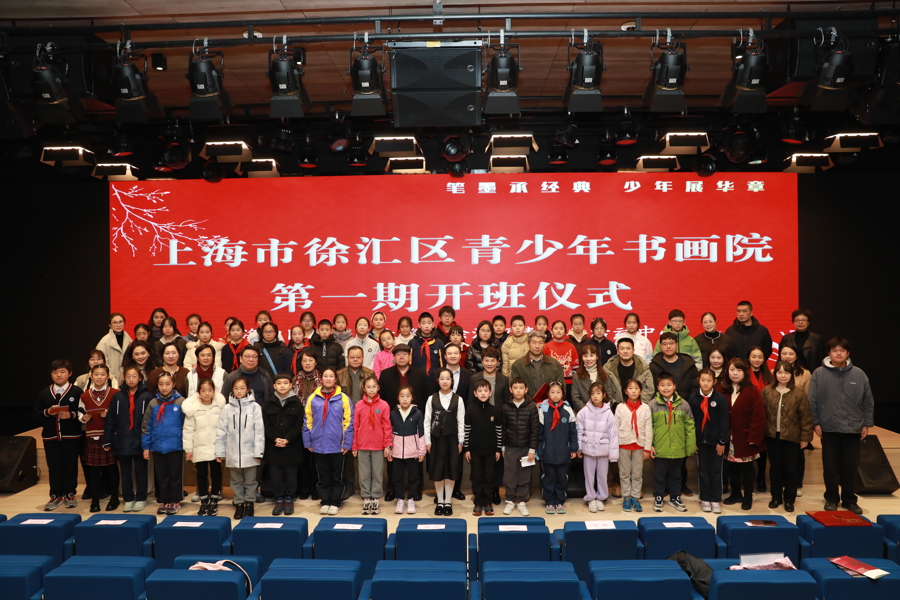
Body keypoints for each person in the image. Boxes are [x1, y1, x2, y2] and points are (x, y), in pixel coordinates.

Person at [808, 338, 874, 514]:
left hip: (853, 428)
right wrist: (815, 422)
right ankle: (831, 498)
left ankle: (849, 500)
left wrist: (867, 423)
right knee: (830, 467)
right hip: (829, 428)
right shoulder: (819, 374)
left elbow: (868, 401)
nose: (838, 353)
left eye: (842, 350)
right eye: (835, 350)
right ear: (829, 353)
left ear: (848, 353)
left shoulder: (859, 374)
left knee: (850, 467)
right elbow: (812, 400)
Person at [763, 361, 813, 513]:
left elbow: (805, 417)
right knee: (775, 468)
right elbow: (761, 415)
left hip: (792, 437)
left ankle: (789, 500)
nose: (783, 376)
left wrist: (805, 438)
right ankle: (776, 497)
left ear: (791, 375)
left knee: (790, 469)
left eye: (786, 372)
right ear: (775, 374)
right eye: (779, 372)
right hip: (772, 436)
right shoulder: (767, 391)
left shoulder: (798, 393)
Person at [303, 368, 354, 515]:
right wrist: (308, 441)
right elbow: (307, 421)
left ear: (335, 379)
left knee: (337, 476)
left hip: (337, 444)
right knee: (323, 476)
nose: (328, 379)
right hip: (318, 444)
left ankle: (336, 501)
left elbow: (349, 422)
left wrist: (347, 443)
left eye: (331, 376)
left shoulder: (343, 398)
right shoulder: (313, 398)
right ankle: (325, 501)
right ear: (321, 379)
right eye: (325, 376)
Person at [37, 360, 83, 511]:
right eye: (55, 372)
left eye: (62, 372)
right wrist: (48, 412)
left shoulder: (76, 391)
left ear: (70, 374)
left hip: (72, 436)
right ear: (51, 375)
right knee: (54, 466)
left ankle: (70, 494)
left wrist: (70, 415)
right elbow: (36, 413)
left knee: (70, 465)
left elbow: (83, 412)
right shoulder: (45, 393)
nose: (58, 375)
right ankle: (55, 495)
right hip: (50, 437)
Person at [216, 377, 265, 520]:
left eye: (242, 388)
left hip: (250, 452)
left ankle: (249, 503)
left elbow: (259, 431)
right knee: (236, 481)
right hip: (232, 452)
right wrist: (220, 452)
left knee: (250, 481)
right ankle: (239, 503)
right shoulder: (227, 408)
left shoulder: (255, 407)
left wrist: (258, 452)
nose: (239, 391)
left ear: (248, 389)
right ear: (232, 389)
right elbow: (221, 431)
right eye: (236, 388)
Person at [720, 358, 766, 511]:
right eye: (732, 369)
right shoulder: (721, 389)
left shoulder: (752, 390)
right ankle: (735, 493)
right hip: (728, 437)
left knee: (747, 468)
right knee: (732, 466)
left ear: (745, 372)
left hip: (746, 437)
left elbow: (758, 416)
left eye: (739, 370)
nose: (735, 373)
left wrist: (754, 437)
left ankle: (748, 496)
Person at [104, 366, 151, 512]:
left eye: (134, 376)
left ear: (140, 378)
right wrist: (107, 439)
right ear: (124, 378)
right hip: (122, 439)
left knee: (141, 471)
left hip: (140, 439)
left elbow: (151, 420)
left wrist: (149, 441)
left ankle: (141, 498)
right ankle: (128, 499)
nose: (131, 379)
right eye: (128, 376)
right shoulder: (117, 397)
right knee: (125, 472)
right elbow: (110, 420)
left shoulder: (147, 396)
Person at [649, 372, 696, 513]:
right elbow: (648, 427)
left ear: (674, 386)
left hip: (678, 448)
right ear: (657, 387)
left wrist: (690, 446)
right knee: (659, 475)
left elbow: (690, 426)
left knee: (676, 475)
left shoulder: (683, 404)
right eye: (662, 385)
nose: (666, 388)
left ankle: (675, 497)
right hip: (660, 448)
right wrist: (650, 445)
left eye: (669, 385)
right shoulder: (652, 405)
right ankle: (659, 496)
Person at [468, 346, 509, 505]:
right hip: (479, 422)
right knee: (479, 466)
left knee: (495, 462)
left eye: (493, 360)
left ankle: (495, 490)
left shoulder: (503, 379)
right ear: (482, 361)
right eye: (486, 360)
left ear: (498, 362)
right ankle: (480, 494)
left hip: (496, 421)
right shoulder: (475, 378)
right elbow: (470, 402)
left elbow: (506, 402)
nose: (489, 363)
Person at [141, 372, 185, 515]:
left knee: (175, 475)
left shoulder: (181, 402)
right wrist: (146, 446)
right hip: (158, 446)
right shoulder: (153, 403)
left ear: (173, 384)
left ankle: (175, 500)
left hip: (175, 445)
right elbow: (146, 426)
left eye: (167, 384)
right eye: (161, 384)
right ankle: (165, 500)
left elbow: (186, 425)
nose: (164, 387)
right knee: (162, 476)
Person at [687, 369, 729, 514]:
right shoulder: (693, 398)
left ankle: (715, 499)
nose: (706, 383)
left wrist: (722, 442)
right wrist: (693, 442)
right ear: (698, 380)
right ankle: (705, 498)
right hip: (700, 442)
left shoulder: (720, 399)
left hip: (716, 442)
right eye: (703, 380)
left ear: (714, 382)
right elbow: (690, 422)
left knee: (716, 470)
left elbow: (724, 421)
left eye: (709, 380)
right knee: (703, 470)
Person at [425, 368, 466, 516]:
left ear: (452, 381)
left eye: (448, 378)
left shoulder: (458, 399)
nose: (445, 381)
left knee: (450, 470)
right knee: (438, 470)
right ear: (438, 381)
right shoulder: (431, 399)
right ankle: (440, 502)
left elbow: (461, 421)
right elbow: (427, 421)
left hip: (452, 439)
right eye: (442, 378)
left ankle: (448, 501)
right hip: (436, 439)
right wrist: (427, 441)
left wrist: (461, 441)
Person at [182, 378, 226, 516]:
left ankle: (214, 500)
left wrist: (223, 448)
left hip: (215, 447)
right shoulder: (193, 409)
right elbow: (188, 430)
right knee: (201, 474)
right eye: (203, 390)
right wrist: (188, 450)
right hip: (199, 447)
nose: (207, 393)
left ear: (214, 392)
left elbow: (224, 429)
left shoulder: (219, 408)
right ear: (198, 392)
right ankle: (204, 500)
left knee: (216, 473)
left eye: (210, 390)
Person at [80, 365, 119, 513]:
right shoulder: (84, 395)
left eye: (103, 374)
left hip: (109, 435)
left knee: (112, 468)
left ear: (108, 376)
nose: (99, 377)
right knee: (93, 470)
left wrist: (110, 415)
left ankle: (114, 498)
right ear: (91, 376)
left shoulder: (115, 393)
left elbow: (121, 414)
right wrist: (83, 418)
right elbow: (80, 413)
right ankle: (94, 501)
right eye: (96, 374)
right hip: (92, 436)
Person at [352, 375, 392, 515]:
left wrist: (387, 445)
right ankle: (366, 497)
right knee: (364, 473)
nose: (371, 389)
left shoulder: (384, 405)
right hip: (362, 445)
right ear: (364, 388)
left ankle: (375, 497)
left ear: (378, 388)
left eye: (374, 387)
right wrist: (354, 446)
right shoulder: (359, 405)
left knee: (377, 472)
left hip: (378, 446)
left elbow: (387, 427)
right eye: (368, 387)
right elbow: (355, 426)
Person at [265, 373, 303, 516]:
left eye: (285, 383)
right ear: (274, 386)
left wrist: (287, 439)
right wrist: (275, 438)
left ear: (291, 385)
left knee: (290, 474)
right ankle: (279, 498)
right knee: (276, 474)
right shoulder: (269, 402)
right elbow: (266, 424)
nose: (282, 386)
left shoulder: (296, 402)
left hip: (291, 445)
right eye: (279, 383)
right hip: (273, 445)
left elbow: (299, 423)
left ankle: (289, 498)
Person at [537, 381, 578, 514]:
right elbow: (539, 432)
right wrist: (540, 450)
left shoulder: (567, 409)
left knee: (562, 477)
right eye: (552, 392)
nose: (555, 395)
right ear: (548, 394)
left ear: (563, 394)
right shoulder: (543, 410)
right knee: (549, 477)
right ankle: (549, 501)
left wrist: (573, 448)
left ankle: (560, 500)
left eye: (558, 392)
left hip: (563, 451)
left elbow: (573, 431)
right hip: (548, 451)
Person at [577, 382, 618, 512]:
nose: (595, 396)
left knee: (602, 476)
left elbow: (613, 434)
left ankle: (602, 497)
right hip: (588, 449)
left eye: (598, 393)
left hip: (603, 451)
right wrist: (579, 447)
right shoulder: (583, 412)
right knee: (589, 476)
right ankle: (591, 498)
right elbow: (579, 431)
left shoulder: (609, 413)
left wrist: (612, 454)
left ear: (604, 395)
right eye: (593, 393)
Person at [501, 377, 540, 516]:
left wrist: (532, 450)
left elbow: (535, 430)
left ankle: (522, 501)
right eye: (515, 388)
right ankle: (510, 500)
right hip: (510, 447)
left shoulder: (531, 406)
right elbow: (503, 427)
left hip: (526, 447)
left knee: (524, 476)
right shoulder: (506, 407)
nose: (518, 391)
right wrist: (503, 447)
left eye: (521, 388)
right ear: (511, 390)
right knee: (509, 476)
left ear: (526, 390)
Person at [465, 379, 503, 516]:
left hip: (491, 451)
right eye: (480, 391)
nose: (483, 393)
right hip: (475, 450)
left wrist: (498, 449)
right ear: (475, 393)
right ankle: (478, 503)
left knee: (489, 477)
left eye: (485, 390)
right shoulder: (470, 410)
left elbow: (499, 431)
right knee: (477, 476)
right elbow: (467, 430)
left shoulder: (495, 410)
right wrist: (467, 449)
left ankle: (487, 502)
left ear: (490, 393)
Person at [615, 380, 653, 512]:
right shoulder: (620, 407)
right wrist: (614, 447)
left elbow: (648, 429)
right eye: (630, 388)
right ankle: (626, 497)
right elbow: (615, 428)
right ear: (626, 391)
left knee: (637, 474)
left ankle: (635, 497)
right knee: (624, 473)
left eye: (636, 388)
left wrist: (647, 448)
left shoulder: (645, 408)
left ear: (640, 391)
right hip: (623, 445)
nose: (633, 391)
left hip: (639, 445)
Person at [389, 385, 426, 514]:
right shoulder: (393, 413)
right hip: (397, 452)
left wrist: (421, 451)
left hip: (413, 452)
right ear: (398, 398)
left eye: (408, 396)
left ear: (412, 398)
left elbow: (421, 433)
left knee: (414, 478)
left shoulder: (418, 413)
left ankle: (411, 499)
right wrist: (389, 449)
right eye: (402, 396)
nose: (405, 399)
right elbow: (389, 432)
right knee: (397, 478)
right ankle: (400, 499)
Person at [511, 331, 565, 402]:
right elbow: (515, 389)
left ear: (544, 344)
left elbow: (562, 388)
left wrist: (546, 403)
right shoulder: (518, 365)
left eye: (540, 343)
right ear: (528, 344)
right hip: (525, 406)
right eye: (534, 342)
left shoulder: (555, 364)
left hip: (549, 406)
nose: (537, 346)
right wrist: (530, 405)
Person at [603, 338, 654, 406]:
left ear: (633, 350)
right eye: (622, 349)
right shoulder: (608, 368)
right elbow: (605, 389)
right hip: (614, 407)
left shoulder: (643, 368)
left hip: (638, 408)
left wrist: (636, 404)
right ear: (618, 351)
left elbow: (649, 390)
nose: (625, 351)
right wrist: (615, 404)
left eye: (628, 348)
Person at [650, 332, 700, 401]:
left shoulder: (689, 364)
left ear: (677, 345)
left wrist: (687, 403)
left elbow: (695, 387)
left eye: (671, 343)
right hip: (661, 404)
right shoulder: (654, 366)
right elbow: (651, 388)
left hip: (686, 404)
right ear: (661, 346)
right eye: (665, 344)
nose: (668, 346)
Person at [570, 344, 611, 413]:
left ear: (597, 357)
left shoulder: (605, 374)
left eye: (591, 355)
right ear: (582, 358)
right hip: (583, 413)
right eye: (585, 356)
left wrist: (601, 410)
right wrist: (588, 412)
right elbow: (575, 398)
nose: (588, 359)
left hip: (603, 413)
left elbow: (609, 395)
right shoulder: (576, 376)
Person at [96, 312, 131, 379]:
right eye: (115, 322)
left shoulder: (129, 339)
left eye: (120, 322)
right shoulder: (104, 341)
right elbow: (100, 360)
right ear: (110, 325)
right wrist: (109, 373)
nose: (118, 325)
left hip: (127, 376)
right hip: (110, 376)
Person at [545, 320, 580, 385]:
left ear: (565, 331)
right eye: (556, 328)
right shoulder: (546, 347)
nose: (558, 331)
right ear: (551, 331)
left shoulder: (571, 346)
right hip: (552, 383)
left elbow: (576, 365)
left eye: (561, 329)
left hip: (569, 382)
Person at [500, 315, 529, 379]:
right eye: (514, 326)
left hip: (529, 377)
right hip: (513, 378)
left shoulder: (531, 342)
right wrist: (505, 379)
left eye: (520, 325)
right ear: (511, 328)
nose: (517, 328)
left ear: (525, 328)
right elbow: (505, 365)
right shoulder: (507, 344)